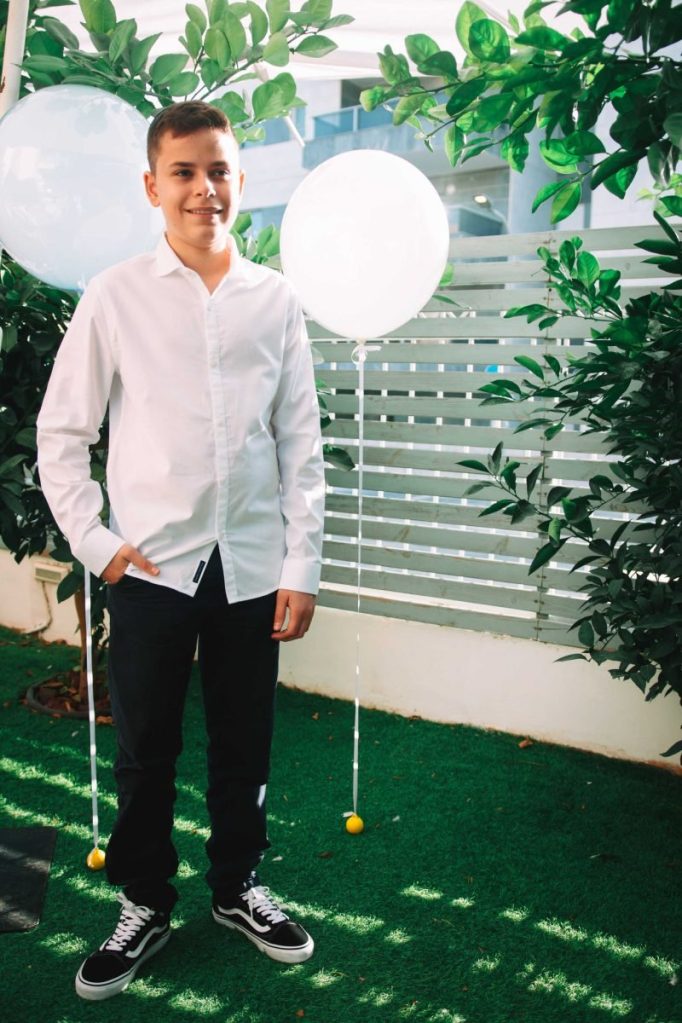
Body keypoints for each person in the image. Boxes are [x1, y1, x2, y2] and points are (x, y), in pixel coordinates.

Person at [36, 100, 326, 1002]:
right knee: (146, 748)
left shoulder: (275, 299)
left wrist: (301, 566)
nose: (205, 188)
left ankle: (237, 887)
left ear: (240, 179)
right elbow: (62, 432)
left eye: (220, 170)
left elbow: (300, 442)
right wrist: (97, 543)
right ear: (152, 185)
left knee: (246, 743)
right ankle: (144, 901)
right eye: (185, 172)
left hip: (253, 565)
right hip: (151, 566)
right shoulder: (114, 294)